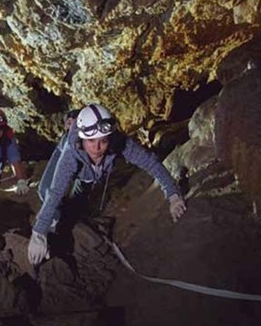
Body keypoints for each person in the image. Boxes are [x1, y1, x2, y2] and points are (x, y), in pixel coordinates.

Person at [28, 104, 187, 265]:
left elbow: (150, 163)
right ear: (82, 137)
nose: (97, 148)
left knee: (79, 200)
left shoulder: (118, 142)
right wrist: (39, 233)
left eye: (103, 141)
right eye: (91, 140)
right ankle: (54, 223)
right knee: (45, 190)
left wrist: (173, 195)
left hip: (90, 175)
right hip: (68, 155)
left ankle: (73, 217)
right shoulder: (71, 153)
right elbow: (55, 192)